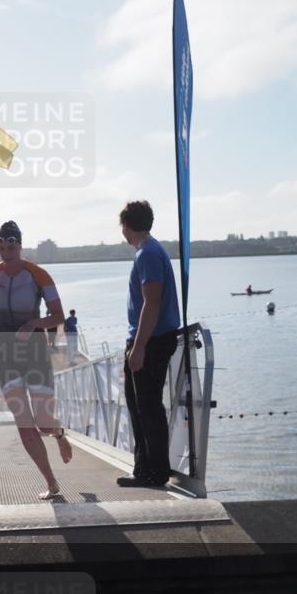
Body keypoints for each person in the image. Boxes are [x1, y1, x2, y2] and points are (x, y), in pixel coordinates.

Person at [0, 220, 72, 499]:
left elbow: (58, 316)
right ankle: (51, 482)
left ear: (20, 246)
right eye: (1, 245)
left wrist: (33, 323)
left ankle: (58, 434)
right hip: (5, 353)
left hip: (34, 350)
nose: (6, 251)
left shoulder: (38, 275)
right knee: (24, 421)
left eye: (11, 245)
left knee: (42, 421)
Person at [117, 201, 182, 488]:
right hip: (151, 338)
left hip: (152, 340)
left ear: (126, 226)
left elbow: (151, 303)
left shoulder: (147, 254)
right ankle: (145, 469)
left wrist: (138, 347)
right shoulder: (151, 251)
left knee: (147, 408)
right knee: (140, 406)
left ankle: (154, 472)